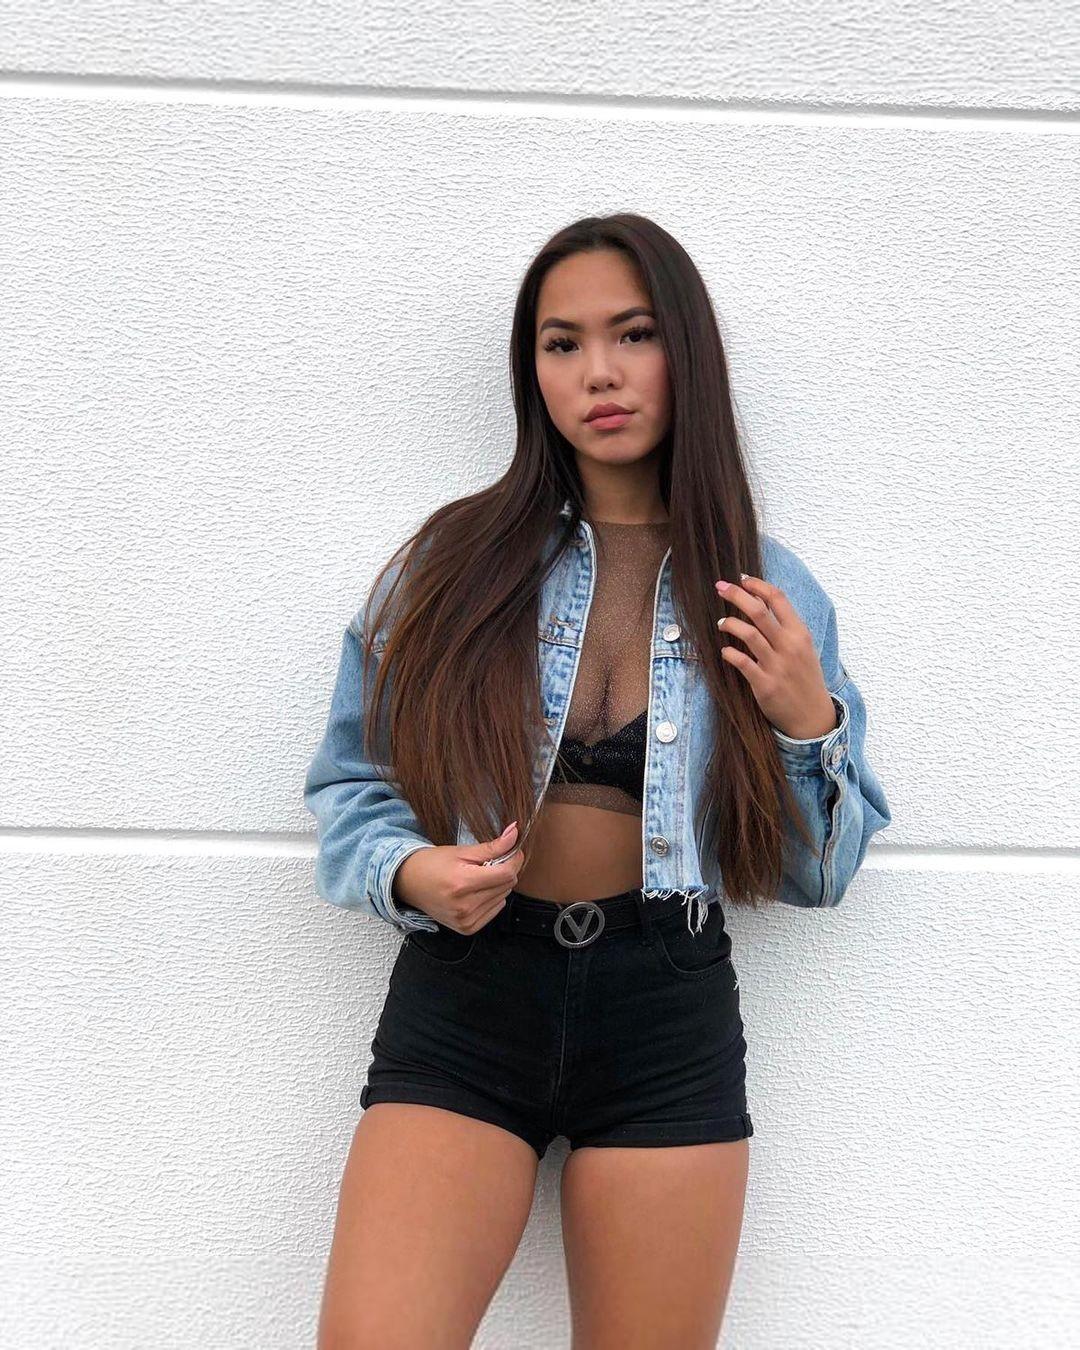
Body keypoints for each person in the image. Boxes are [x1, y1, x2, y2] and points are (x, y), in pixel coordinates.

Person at [303, 212, 892, 1349]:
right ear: (532, 373)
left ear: (686, 352)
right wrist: (413, 874)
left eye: (633, 334)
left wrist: (804, 722)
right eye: (561, 344)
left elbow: (818, 876)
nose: (599, 373)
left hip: (666, 1007)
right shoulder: (455, 565)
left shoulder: (767, 589)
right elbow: (352, 780)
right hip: (469, 997)